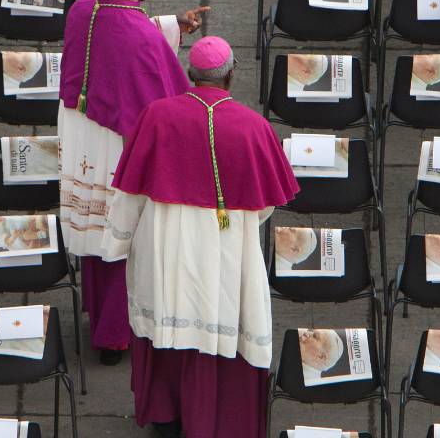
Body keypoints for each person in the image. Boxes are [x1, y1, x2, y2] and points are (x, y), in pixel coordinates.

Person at [102, 36, 299, 438]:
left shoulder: (157, 117)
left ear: (191, 75)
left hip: (165, 245)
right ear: (231, 75)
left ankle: (167, 416)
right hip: (227, 250)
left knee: (165, 326)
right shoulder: (254, 127)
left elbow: (132, 193)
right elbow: (263, 208)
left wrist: (119, 241)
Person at [58, 0, 209, 365]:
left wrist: (174, 25)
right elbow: (159, 101)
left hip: (81, 130)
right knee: (120, 234)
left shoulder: (84, 8)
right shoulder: (141, 40)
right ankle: (114, 335)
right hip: (114, 144)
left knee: (93, 228)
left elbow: (120, 32)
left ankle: (98, 312)